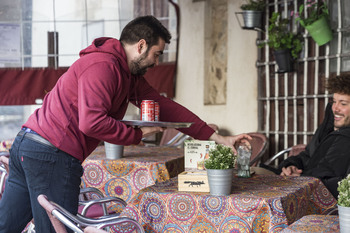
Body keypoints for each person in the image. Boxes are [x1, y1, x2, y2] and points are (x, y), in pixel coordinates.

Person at [0, 15, 250, 233]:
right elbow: (92, 123)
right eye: (157, 54)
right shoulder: (104, 66)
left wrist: (217, 138)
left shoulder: (126, 73)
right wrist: (136, 134)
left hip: (30, 145)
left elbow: (166, 107)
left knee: (6, 226)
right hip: (52, 153)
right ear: (141, 46)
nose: (156, 63)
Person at [278, 74, 350, 198]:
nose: (335, 108)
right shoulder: (328, 127)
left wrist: (304, 181)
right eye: (334, 102)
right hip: (301, 192)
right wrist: (291, 167)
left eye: (343, 104)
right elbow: (308, 155)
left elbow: (343, 185)